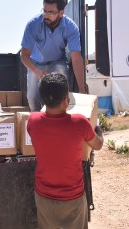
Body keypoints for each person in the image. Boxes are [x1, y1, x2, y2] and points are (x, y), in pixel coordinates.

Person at [27, 73, 104, 229]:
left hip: (43, 196)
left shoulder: (33, 121)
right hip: (72, 198)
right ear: (65, 101)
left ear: (42, 99)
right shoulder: (79, 122)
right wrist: (99, 131)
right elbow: (97, 145)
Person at [20, 0, 86, 112]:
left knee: (62, 93)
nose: (46, 15)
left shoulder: (71, 27)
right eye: (44, 11)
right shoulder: (33, 24)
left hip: (58, 61)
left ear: (61, 13)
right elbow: (24, 56)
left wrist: (82, 88)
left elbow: (76, 58)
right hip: (36, 64)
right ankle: (38, 124)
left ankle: (61, 123)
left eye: (51, 12)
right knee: (32, 98)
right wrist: (37, 71)